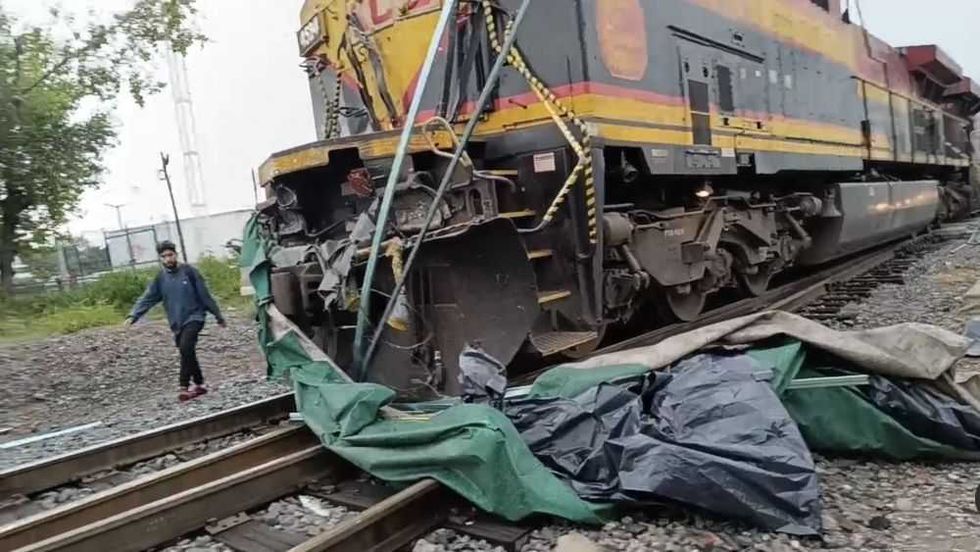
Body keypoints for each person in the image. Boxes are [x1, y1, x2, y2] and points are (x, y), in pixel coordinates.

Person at [126, 241, 226, 401]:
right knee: (187, 351)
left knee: (186, 347)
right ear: (160, 258)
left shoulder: (189, 272)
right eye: (164, 256)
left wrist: (218, 315)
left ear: (175, 254)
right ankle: (199, 383)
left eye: (170, 255)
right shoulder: (161, 278)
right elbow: (148, 298)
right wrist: (133, 315)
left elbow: (205, 295)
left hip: (195, 317)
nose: (168, 259)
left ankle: (183, 386)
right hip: (177, 322)